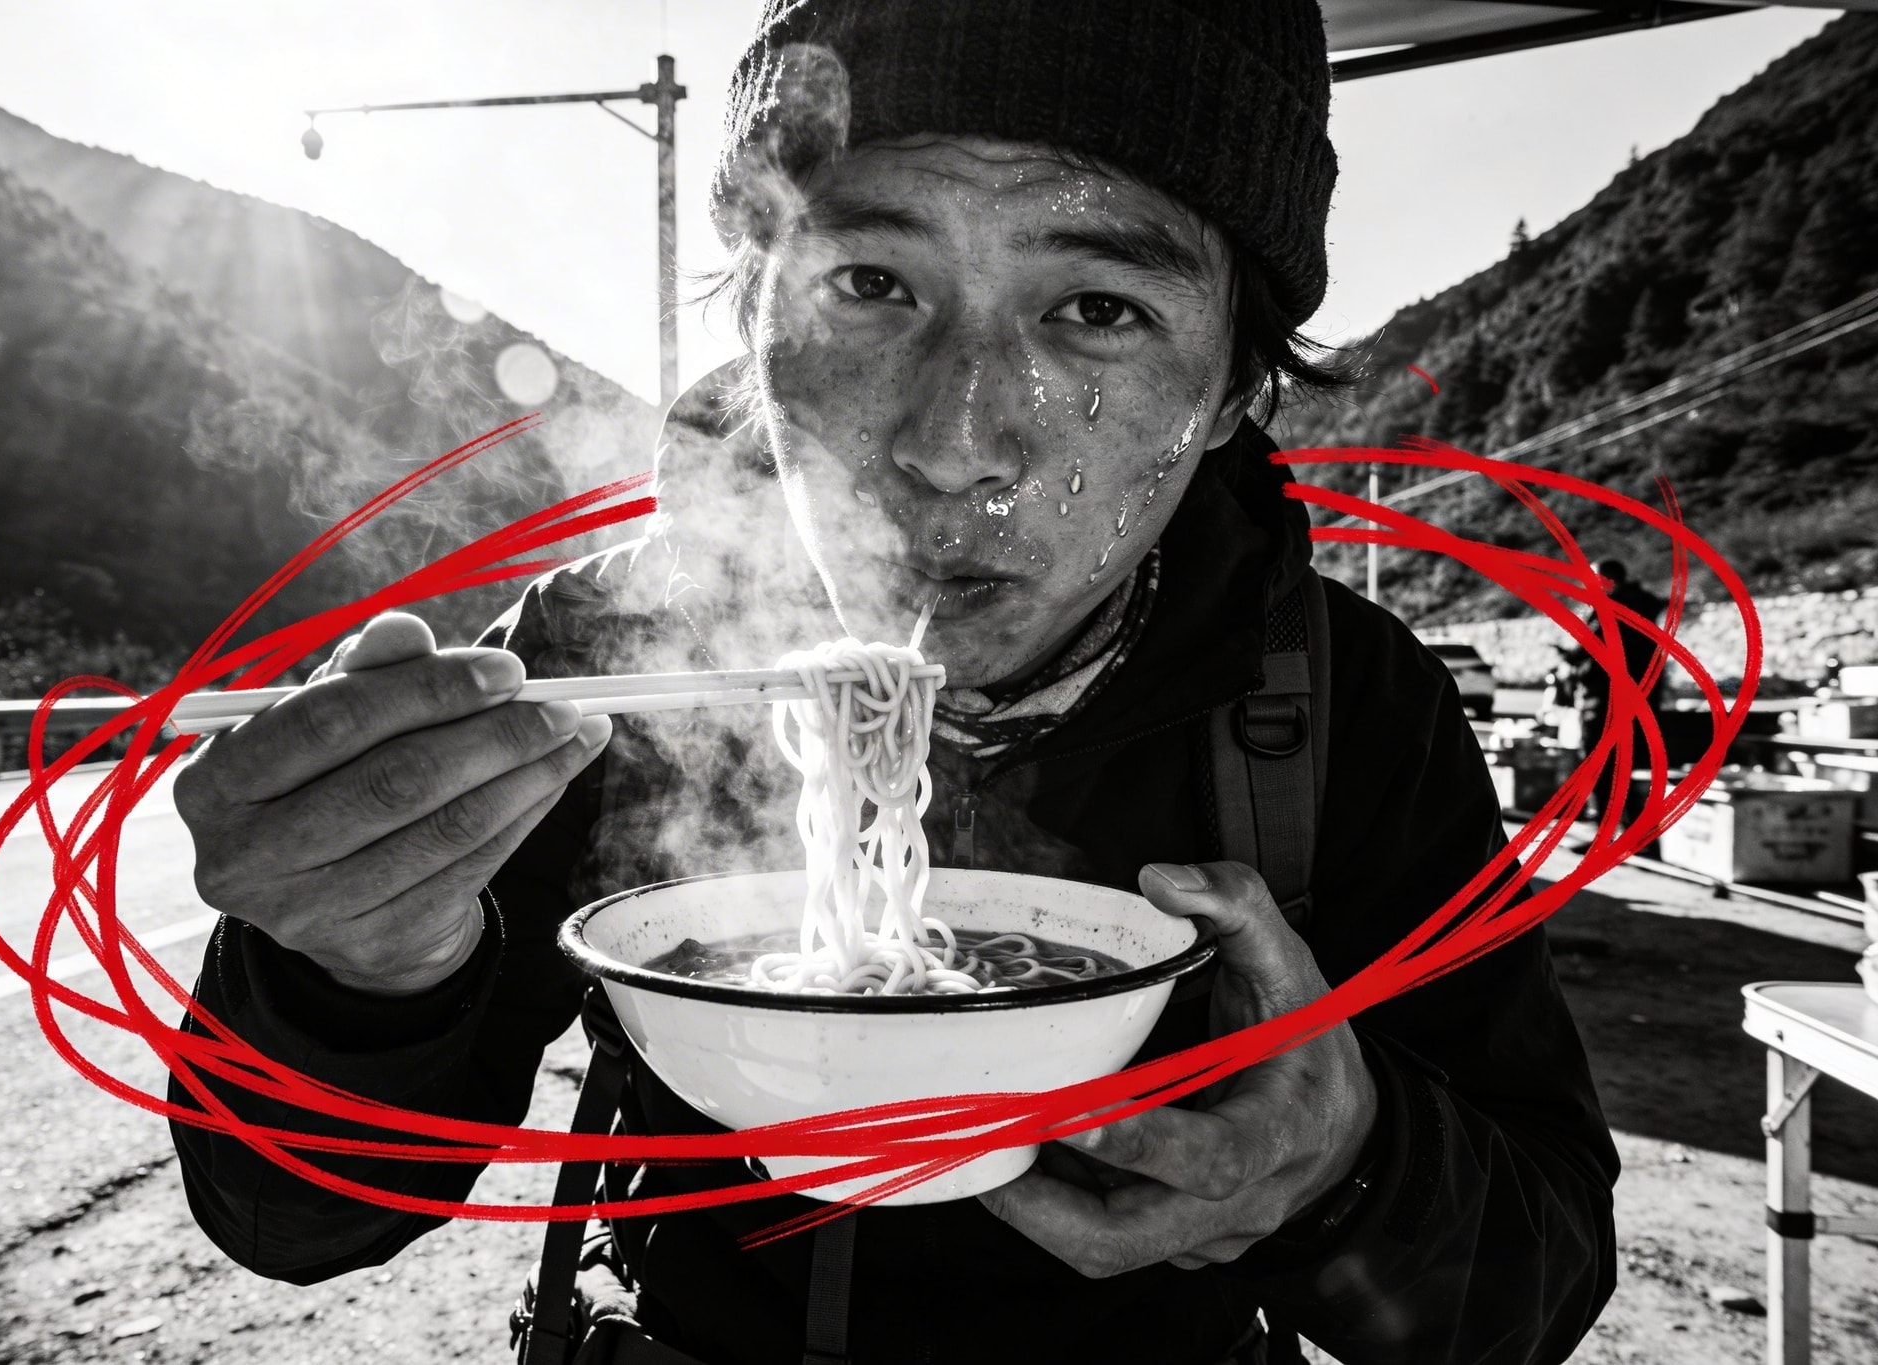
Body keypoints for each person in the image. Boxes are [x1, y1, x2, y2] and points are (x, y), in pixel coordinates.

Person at [166, 3, 1619, 1361]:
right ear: (753, 326)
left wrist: (1344, 1169)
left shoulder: (1342, 702)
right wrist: (354, 978)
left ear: (1234, 391)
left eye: (1097, 307)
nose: (952, 445)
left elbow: (1532, 1287)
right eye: (870, 284)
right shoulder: (601, 657)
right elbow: (293, 1222)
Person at [1566, 558, 1671, 826]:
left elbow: (1587, 650)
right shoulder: (1643, 606)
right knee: (1631, 762)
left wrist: (1570, 658)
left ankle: (1606, 825)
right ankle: (1633, 826)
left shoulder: (1609, 609)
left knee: (1601, 762)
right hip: (1641, 698)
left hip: (1604, 699)